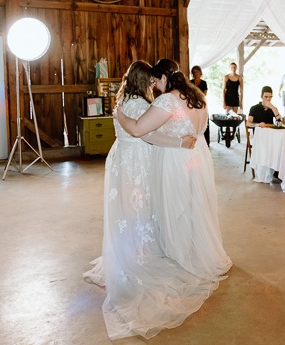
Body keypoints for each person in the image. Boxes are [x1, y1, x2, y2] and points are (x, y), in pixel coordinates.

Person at [84, 61, 208, 340]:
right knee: (139, 207)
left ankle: (129, 249)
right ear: (145, 81)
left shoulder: (123, 100)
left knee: (128, 208)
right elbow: (147, 133)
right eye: (151, 82)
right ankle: (139, 254)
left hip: (121, 159)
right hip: (136, 160)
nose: (154, 85)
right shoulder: (141, 105)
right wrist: (178, 142)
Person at [112, 59, 232, 317]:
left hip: (177, 160)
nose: (154, 87)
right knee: (194, 206)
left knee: (174, 206)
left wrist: (119, 114)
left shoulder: (167, 101)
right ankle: (197, 250)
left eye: (156, 81)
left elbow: (137, 129)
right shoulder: (198, 97)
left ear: (164, 78)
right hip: (198, 158)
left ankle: (179, 255)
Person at [191, 65, 210, 145]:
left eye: (197, 71)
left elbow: (204, 94)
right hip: (192, 103)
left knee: (204, 120)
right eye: (194, 72)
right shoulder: (190, 82)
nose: (196, 73)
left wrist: (198, 97)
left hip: (201, 103)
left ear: (200, 72)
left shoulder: (204, 82)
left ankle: (206, 141)